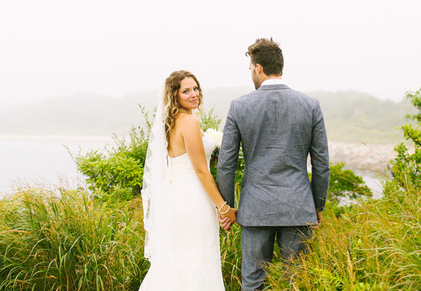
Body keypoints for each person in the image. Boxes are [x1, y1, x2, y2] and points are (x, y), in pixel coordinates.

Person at [216, 38, 330, 290]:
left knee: (254, 283)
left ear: (258, 68)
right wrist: (317, 205)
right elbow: (321, 164)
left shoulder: (239, 106)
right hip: (298, 208)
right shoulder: (310, 105)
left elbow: (226, 165)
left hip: (255, 210)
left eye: (250, 69)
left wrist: (227, 208)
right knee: (296, 282)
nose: (251, 74)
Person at [140, 70, 237, 291]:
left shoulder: (171, 121)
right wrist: (223, 208)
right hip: (194, 200)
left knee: (179, 260)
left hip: (176, 199)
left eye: (195, 88)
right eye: (186, 91)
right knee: (199, 259)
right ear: (175, 95)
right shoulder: (189, 122)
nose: (194, 94)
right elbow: (202, 171)